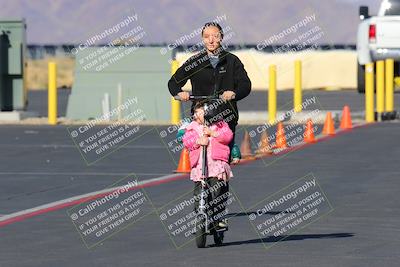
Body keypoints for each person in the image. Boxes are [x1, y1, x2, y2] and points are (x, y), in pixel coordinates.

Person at [168, 21, 251, 164]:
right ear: (202, 39)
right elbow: (173, 82)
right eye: (206, 37)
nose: (211, 40)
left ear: (221, 37)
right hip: (201, 116)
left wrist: (234, 93)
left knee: (222, 163)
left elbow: (245, 85)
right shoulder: (195, 62)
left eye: (215, 36)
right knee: (198, 158)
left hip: (225, 116)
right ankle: (200, 182)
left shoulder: (231, 61)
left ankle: (222, 179)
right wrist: (179, 93)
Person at [182, 101, 233, 228]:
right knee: (199, 194)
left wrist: (213, 133)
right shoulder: (192, 127)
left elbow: (228, 137)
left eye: (199, 112)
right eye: (195, 112)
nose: (196, 115)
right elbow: (186, 141)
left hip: (216, 167)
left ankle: (218, 218)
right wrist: (198, 140)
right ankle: (201, 214)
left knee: (217, 192)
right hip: (200, 168)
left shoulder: (220, 125)